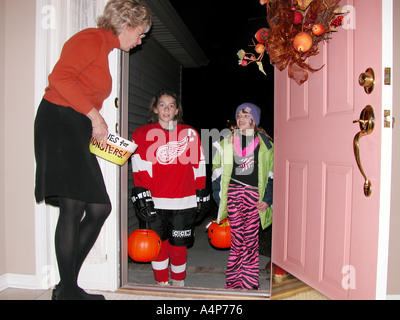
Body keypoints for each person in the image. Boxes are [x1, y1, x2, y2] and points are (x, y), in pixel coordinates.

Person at [34, 0, 152, 300]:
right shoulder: (90, 38)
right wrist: (95, 117)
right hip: (59, 121)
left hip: (73, 125)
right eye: (140, 33)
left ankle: (66, 287)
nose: (141, 40)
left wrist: (94, 125)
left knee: (99, 208)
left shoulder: (105, 48)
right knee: (73, 207)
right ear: (126, 25)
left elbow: (82, 90)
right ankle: (69, 290)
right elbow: (59, 79)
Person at [131, 90, 209, 287]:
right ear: (155, 109)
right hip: (156, 201)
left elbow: (198, 163)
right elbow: (139, 166)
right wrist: (143, 193)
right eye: (162, 105)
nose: (166, 109)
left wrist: (201, 190)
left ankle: (178, 280)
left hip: (184, 200)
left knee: (178, 246)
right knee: (159, 245)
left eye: (171, 105)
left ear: (177, 111)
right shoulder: (141, 134)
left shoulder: (189, 133)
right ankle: (161, 282)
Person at [212, 103, 274, 290]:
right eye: (238, 115)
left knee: (250, 240)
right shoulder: (227, 143)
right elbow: (217, 173)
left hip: (255, 197)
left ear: (254, 120)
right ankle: (233, 281)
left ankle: (249, 282)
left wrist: (268, 199)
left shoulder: (266, 144)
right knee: (237, 240)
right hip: (234, 194)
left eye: (246, 115)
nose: (241, 118)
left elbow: (272, 174)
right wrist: (219, 199)